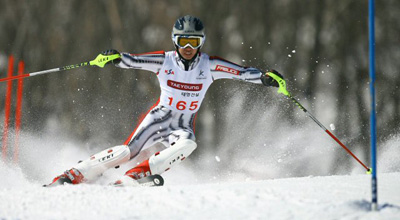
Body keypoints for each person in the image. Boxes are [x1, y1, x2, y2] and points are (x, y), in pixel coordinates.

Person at [47, 15, 284, 186]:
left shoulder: (209, 65)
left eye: (193, 42)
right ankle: (75, 173)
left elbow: (241, 72)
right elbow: (133, 60)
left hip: (182, 126)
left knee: (188, 145)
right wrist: (114, 58)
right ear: (175, 41)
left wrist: (264, 78)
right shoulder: (165, 61)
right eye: (183, 42)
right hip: (159, 118)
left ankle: (135, 175)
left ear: (200, 42)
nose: (188, 47)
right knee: (126, 151)